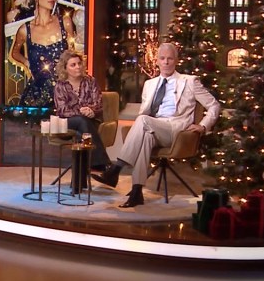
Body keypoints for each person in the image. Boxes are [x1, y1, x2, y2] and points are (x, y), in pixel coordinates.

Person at [92, 43, 220, 207]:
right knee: (146, 136)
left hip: (176, 131)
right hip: (153, 127)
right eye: (162, 58)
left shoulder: (189, 82)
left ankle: (116, 169)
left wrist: (203, 126)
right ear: (157, 61)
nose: (166, 62)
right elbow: (145, 111)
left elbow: (214, 105)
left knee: (143, 120)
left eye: (170, 59)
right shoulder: (150, 84)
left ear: (176, 61)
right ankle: (137, 192)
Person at [7, 0, 77, 108]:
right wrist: (27, 62)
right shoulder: (25, 29)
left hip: (63, 97)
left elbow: (72, 56)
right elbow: (14, 53)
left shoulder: (65, 23)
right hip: (35, 98)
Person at [53, 49, 111, 173]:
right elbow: (62, 110)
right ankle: (102, 163)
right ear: (65, 68)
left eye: (79, 63)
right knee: (81, 119)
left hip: (90, 121)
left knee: (81, 134)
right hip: (67, 122)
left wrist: (92, 111)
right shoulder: (60, 85)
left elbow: (98, 104)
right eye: (73, 65)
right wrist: (82, 111)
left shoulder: (90, 81)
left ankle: (81, 175)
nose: (78, 67)